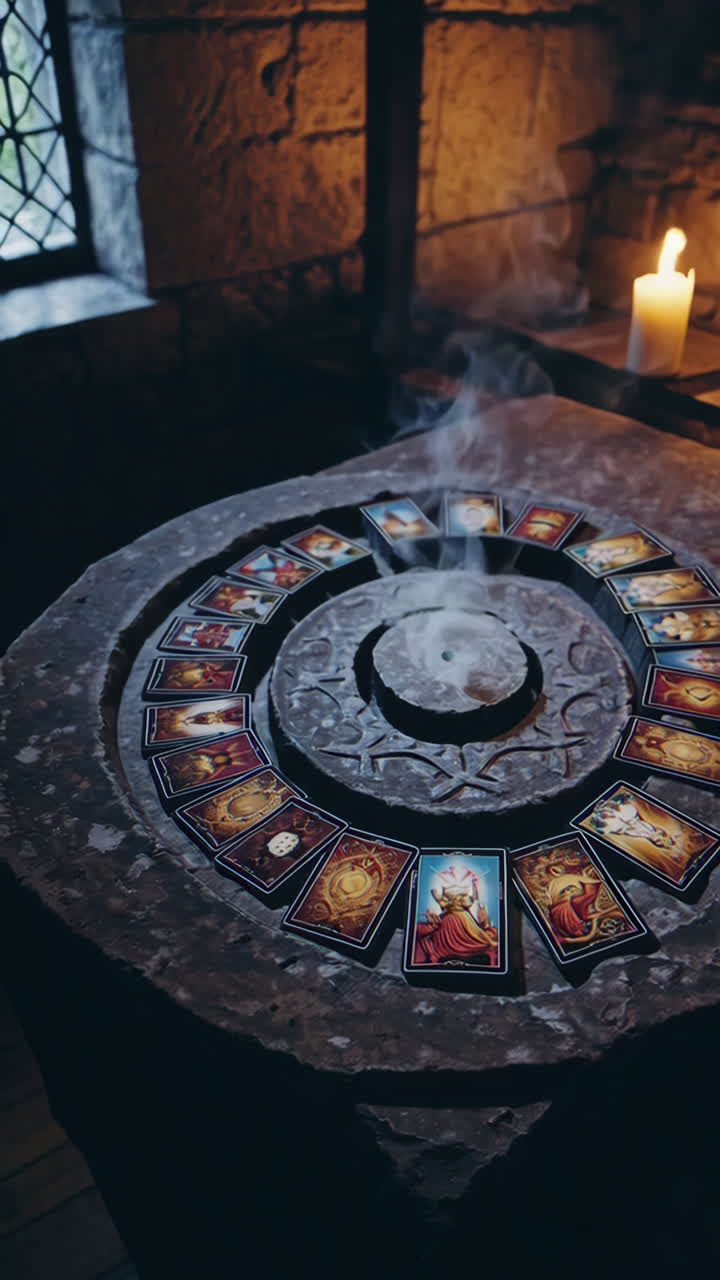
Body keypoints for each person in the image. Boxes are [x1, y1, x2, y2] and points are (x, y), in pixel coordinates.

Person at [414, 868, 498, 966]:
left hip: (462, 920)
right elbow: (435, 893)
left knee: (478, 938)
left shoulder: (459, 900)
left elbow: (474, 898)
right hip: (451, 921)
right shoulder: (446, 901)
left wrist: (475, 885)